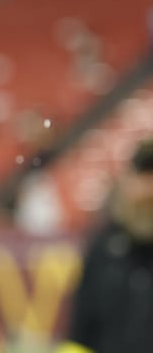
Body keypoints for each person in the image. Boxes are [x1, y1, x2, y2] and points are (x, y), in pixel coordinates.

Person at [61, 138, 153, 353]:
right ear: (127, 183)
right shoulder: (103, 249)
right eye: (144, 176)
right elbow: (80, 335)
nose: (149, 190)